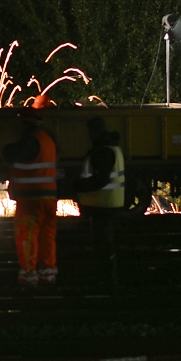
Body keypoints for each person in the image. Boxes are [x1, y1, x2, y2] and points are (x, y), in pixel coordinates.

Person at [3, 106, 59, 287]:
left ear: (25, 124)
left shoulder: (30, 141)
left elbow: (9, 154)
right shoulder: (47, 140)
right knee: (46, 237)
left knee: (27, 236)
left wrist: (7, 146)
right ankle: (48, 273)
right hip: (48, 198)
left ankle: (29, 275)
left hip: (31, 200)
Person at [74, 116, 126, 293]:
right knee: (106, 246)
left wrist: (77, 186)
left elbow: (99, 180)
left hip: (102, 206)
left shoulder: (103, 152)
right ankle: (108, 282)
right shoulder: (113, 148)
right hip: (108, 205)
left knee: (103, 247)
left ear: (93, 132)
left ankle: (107, 283)